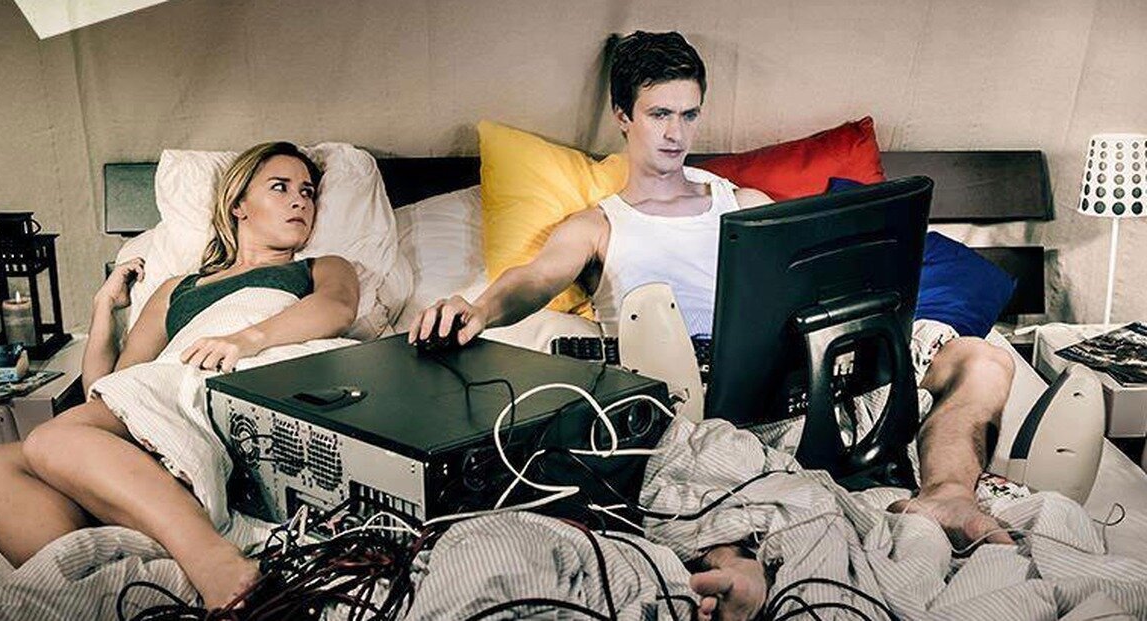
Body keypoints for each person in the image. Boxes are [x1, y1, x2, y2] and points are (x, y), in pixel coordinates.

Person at [409, 31, 1015, 620]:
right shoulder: (599, 224)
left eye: (689, 115)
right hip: (694, 391)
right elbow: (535, 279)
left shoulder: (743, 203)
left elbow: (818, 276)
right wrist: (479, 309)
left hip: (796, 371)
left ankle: (947, 494)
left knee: (983, 358)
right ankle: (734, 564)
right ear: (623, 116)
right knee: (710, 455)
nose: (676, 133)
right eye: (659, 114)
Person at [0, 141, 361, 610]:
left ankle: (212, 560)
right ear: (238, 205)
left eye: (307, 192)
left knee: (49, 440)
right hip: (158, 397)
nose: (300, 201)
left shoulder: (320, 268)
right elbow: (110, 388)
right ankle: (121, 588)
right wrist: (104, 308)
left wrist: (245, 339)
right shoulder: (176, 289)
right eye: (280, 187)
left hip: (221, 386)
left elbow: (337, 308)